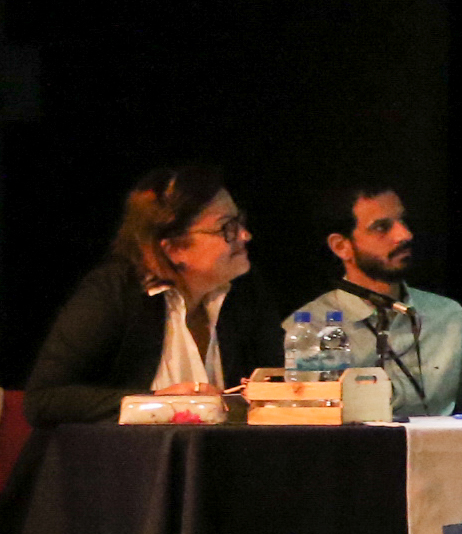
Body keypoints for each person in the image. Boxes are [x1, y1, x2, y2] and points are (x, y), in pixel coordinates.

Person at [18, 164, 285, 426]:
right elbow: (44, 400)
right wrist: (155, 402)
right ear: (174, 249)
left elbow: (278, 379)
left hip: (210, 452)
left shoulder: (244, 291)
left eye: (239, 221)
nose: (245, 235)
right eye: (226, 228)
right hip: (117, 453)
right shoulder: (113, 292)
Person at [303, 182, 462, 417]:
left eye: (403, 222)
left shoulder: (447, 314)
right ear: (341, 247)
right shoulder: (310, 325)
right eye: (382, 227)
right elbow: (309, 415)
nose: (405, 235)